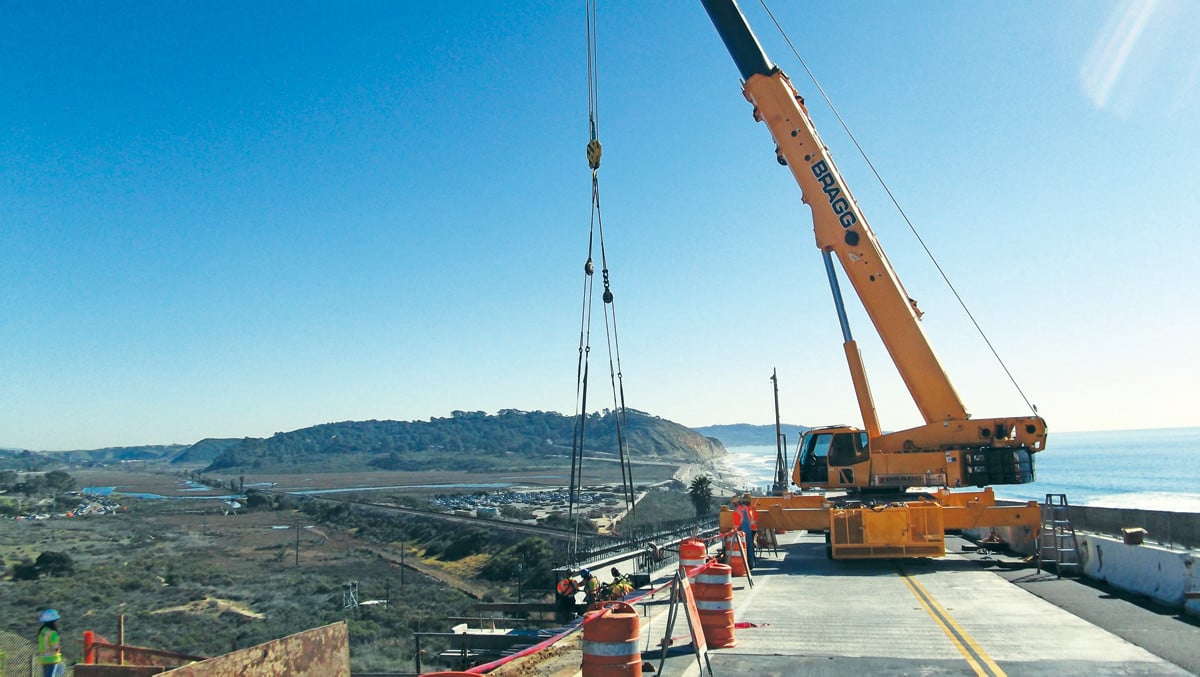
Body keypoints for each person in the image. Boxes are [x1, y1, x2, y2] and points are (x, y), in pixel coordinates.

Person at [37, 609, 66, 677]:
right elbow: (55, 647)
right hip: (52, 659)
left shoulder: (42, 631)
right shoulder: (53, 633)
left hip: (43, 658)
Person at [736, 494, 758, 569]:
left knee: (746, 547)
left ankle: (747, 564)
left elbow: (738, 522)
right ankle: (751, 563)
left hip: (746, 530)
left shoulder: (742, 510)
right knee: (750, 547)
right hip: (751, 530)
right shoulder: (750, 509)